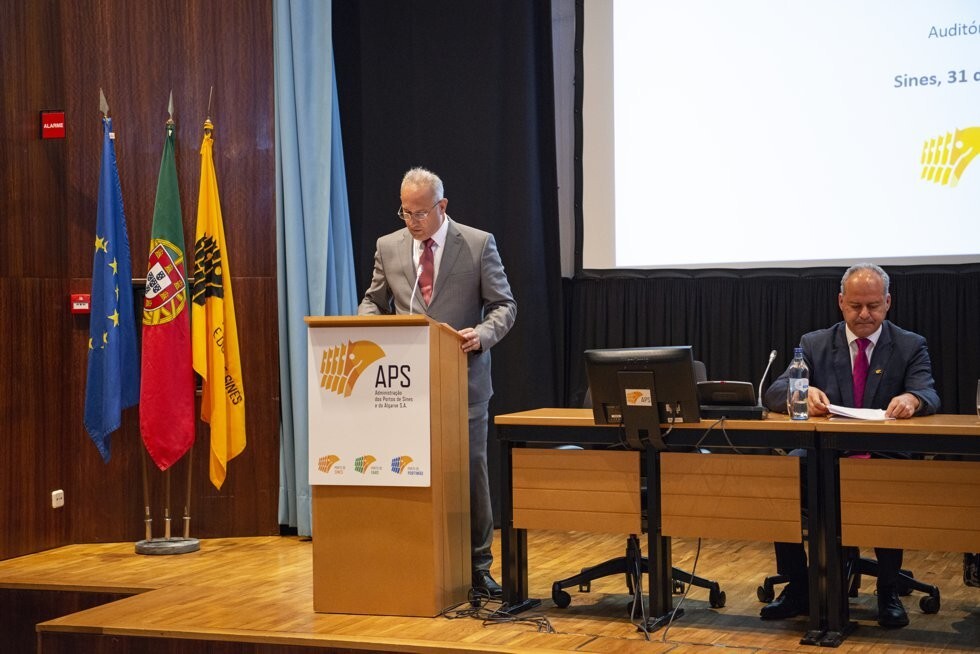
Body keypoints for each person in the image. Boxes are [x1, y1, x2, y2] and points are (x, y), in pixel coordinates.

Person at [358, 167, 517, 599]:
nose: (412, 222)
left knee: (469, 473)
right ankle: (411, 558)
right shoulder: (388, 246)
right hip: (403, 389)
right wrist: (371, 327)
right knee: (406, 472)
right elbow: (373, 302)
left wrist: (481, 335)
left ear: (442, 207)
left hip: (462, 382)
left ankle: (479, 564)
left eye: (421, 213)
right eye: (405, 212)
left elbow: (504, 306)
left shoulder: (478, 244)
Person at [762, 263, 940, 628]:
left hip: (882, 453)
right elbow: (774, 392)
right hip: (825, 453)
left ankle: (888, 590)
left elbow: (929, 392)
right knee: (781, 477)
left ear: (888, 302)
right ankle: (798, 587)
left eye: (873, 306)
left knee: (885, 478)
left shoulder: (909, 344)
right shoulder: (814, 343)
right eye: (856, 305)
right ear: (840, 302)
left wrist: (913, 400)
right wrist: (802, 391)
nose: (864, 314)